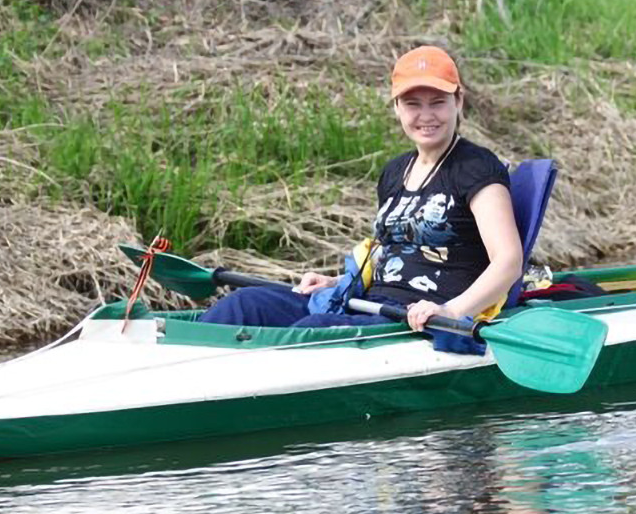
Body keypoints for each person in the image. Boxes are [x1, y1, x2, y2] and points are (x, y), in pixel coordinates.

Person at [199, 45, 523, 334]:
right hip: (369, 301)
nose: (426, 116)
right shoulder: (395, 171)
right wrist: (337, 282)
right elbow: (393, 250)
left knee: (312, 331)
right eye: (412, 104)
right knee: (243, 304)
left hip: (419, 317)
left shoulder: (476, 168)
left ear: (458, 101)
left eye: (437, 102)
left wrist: (451, 310)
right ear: (397, 106)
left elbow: (508, 261)